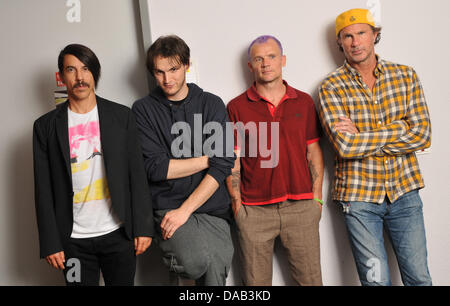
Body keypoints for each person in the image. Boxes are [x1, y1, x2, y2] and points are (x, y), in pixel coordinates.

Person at [318, 8, 432, 286]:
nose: (355, 42)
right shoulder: (331, 86)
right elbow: (345, 146)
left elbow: (422, 135)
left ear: (375, 36)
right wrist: (399, 128)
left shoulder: (405, 76)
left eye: (361, 34)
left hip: (405, 192)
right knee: (376, 283)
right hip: (359, 200)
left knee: (419, 278)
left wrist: (364, 134)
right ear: (340, 43)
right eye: (347, 36)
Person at [33, 44, 154, 286]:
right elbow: (43, 189)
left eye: (86, 69)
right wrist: (50, 242)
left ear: (94, 73)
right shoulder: (45, 127)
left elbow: (136, 176)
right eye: (71, 69)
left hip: (118, 234)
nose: (80, 77)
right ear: (61, 76)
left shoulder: (122, 117)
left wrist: (143, 227)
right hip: (72, 242)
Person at [132, 35, 235, 286]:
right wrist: (206, 159)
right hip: (168, 206)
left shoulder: (211, 103)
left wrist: (185, 211)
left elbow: (222, 165)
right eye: (159, 72)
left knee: (215, 274)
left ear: (187, 65)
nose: (167, 80)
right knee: (194, 261)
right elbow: (156, 168)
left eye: (174, 69)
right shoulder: (143, 110)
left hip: (212, 207)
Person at [226, 35, 324, 286]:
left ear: (283, 60)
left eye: (271, 57)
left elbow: (313, 151)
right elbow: (232, 160)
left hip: (301, 208)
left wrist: (316, 199)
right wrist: (238, 206)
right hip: (254, 212)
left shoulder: (303, 101)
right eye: (258, 59)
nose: (266, 63)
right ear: (250, 66)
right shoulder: (236, 107)